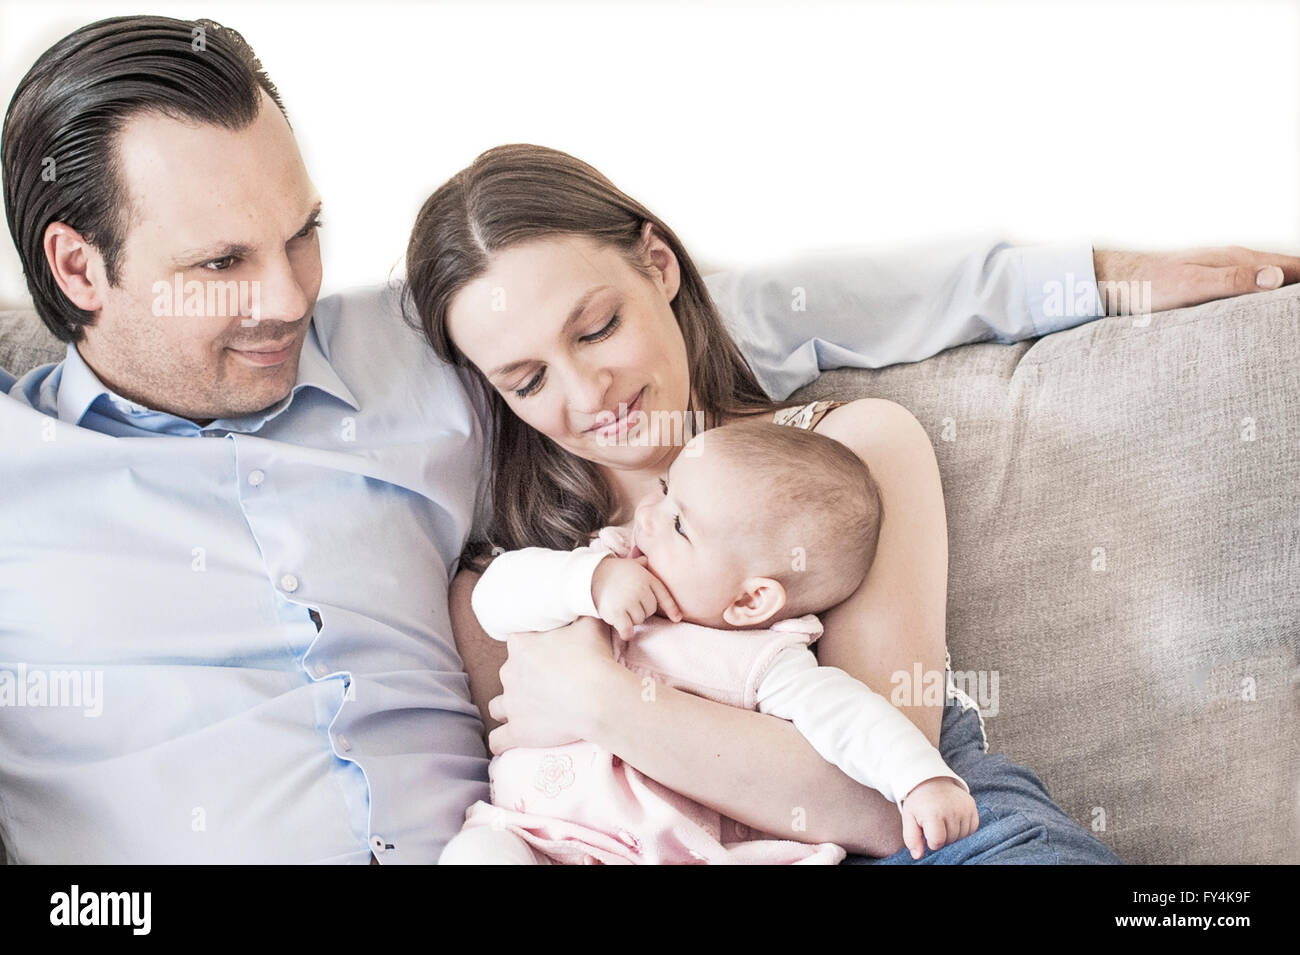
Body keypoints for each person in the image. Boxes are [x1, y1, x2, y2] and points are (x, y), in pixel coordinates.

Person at [2, 14, 1297, 864]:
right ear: (79, 264)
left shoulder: (409, 333)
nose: (287, 295)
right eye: (223, 262)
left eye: (302, 232)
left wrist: (1095, 272)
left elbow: (762, 305)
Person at [440, 419, 977, 864]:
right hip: (534, 838)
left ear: (749, 602)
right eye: (666, 490)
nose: (647, 516)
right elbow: (493, 600)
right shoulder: (602, 565)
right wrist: (591, 581)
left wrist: (921, 780)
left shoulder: (765, 662)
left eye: (679, 526)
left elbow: (854, 719)